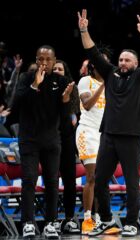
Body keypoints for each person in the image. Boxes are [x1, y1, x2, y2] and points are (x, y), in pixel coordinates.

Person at [78, 10, 140, 236]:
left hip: (132, 136)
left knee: (132, 182)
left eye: (127, 60)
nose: (122, 62)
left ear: (136, 63)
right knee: (99, 180)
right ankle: (106, 220)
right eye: (121, 59)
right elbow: (92, 51)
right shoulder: (111, 73)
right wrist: (84, 30)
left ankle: (131, 222)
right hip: (109, 134)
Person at [14, 45, 74, 238]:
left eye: (48, 60)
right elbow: (17, 106)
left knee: (52, 182)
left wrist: (65, 101)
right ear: (36, 59)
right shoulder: (26, 78)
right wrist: (35, 86)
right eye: (40, 59)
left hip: (51, 140)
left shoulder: (62, 81)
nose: (44, 63)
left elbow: (65, 121)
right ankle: (28, 223)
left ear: (54, 60)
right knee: (29, 180)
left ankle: (50, 223)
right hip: (29, 140)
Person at [75, 51, 110, 234]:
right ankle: (87, 219)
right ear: (93, 65)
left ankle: (99, 220)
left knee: (101, 180)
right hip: (87, 132)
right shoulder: (85, 81)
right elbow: (87, 105)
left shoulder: (112, 84)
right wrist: (104, 85)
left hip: (105, 135)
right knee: (92, 177)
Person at [52, 60, 81, 234]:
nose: (56, 71)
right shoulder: (45, 87)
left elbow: (74, 115)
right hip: (49, 138)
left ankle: (69, 218)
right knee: (52, 180)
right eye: (54, 68)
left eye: (60, 69)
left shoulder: (73, 88)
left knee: (69, 180)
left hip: (68, 138)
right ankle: (52, 219)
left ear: (65, 72)